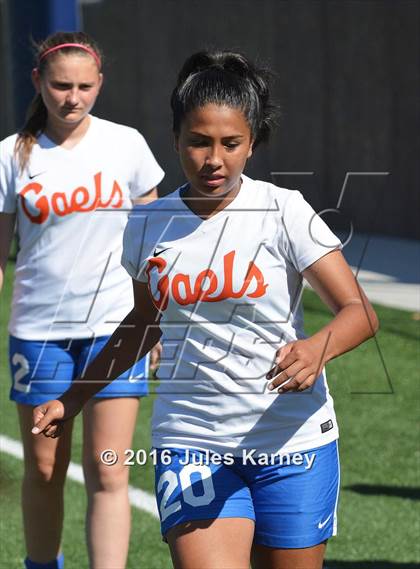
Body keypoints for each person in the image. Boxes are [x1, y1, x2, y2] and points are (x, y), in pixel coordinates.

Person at [31, 50, 379, 569]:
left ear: (252, 144)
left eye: (230, 143)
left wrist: (316, 349)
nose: (213, 158)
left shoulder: (284, 211)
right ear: (175, 140)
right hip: (191, 438)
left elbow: (359, 310)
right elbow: (142, 325)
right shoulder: (147, 224)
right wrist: (74, 398)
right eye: (198, 141)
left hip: (293, 441)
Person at [0, 31, 164, 569]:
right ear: (38, 83)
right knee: (45, 468)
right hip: (40, 332)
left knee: (110, 467)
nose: (73, 97)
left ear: (100, 85)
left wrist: (155, 322)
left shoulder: (127, 145)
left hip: (115, 329)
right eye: (61, 86)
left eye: (85, 87)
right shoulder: (10, 156)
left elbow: (155, 246)